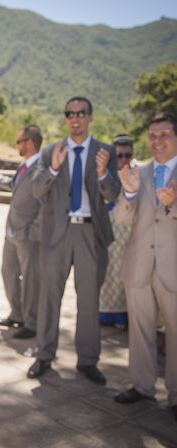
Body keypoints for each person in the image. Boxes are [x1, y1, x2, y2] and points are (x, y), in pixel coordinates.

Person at [27, 97, 120, 385]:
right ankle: (44, 354)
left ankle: (88, 360)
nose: (75, 118)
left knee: (89, 300)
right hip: (56, 234)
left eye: (81, 113)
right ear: (65, 118)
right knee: (49, 296)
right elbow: (35, 190)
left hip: (90, 234)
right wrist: (53, 169)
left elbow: (113, 193)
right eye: (70, 113)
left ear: (90, 117)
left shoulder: (105, 151)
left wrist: (104, 174)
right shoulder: (50, 151)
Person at [113, 113, 177, 421]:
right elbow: (123, 218)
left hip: (173, 268)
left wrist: (173, 205)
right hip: (138, 265)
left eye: (164, 134)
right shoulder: (138, 171)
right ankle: (141, 385)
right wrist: (128, 193)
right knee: (139, 332)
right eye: (152, 135)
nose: (157, 141)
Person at [0, 125, 43, 339]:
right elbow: (13, 186)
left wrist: (32, 232)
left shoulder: (41, 170)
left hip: (28, 236)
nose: (17, 145)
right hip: (11, 233)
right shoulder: (24, 167)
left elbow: (46, 205)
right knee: (7, 273)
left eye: (20, 141)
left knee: (30, 279)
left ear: (31, 142)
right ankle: (16, 314)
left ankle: (31, 322)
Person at [98, 134, 134, 330]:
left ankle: (122, 314)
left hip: (127, 233)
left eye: (127, 155)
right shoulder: (105, 172)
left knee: (122, 274)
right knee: (105, 273)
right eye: (119, 155)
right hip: (106, 230)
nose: (123, 159)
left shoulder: (138, 174)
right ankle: (103, 313)